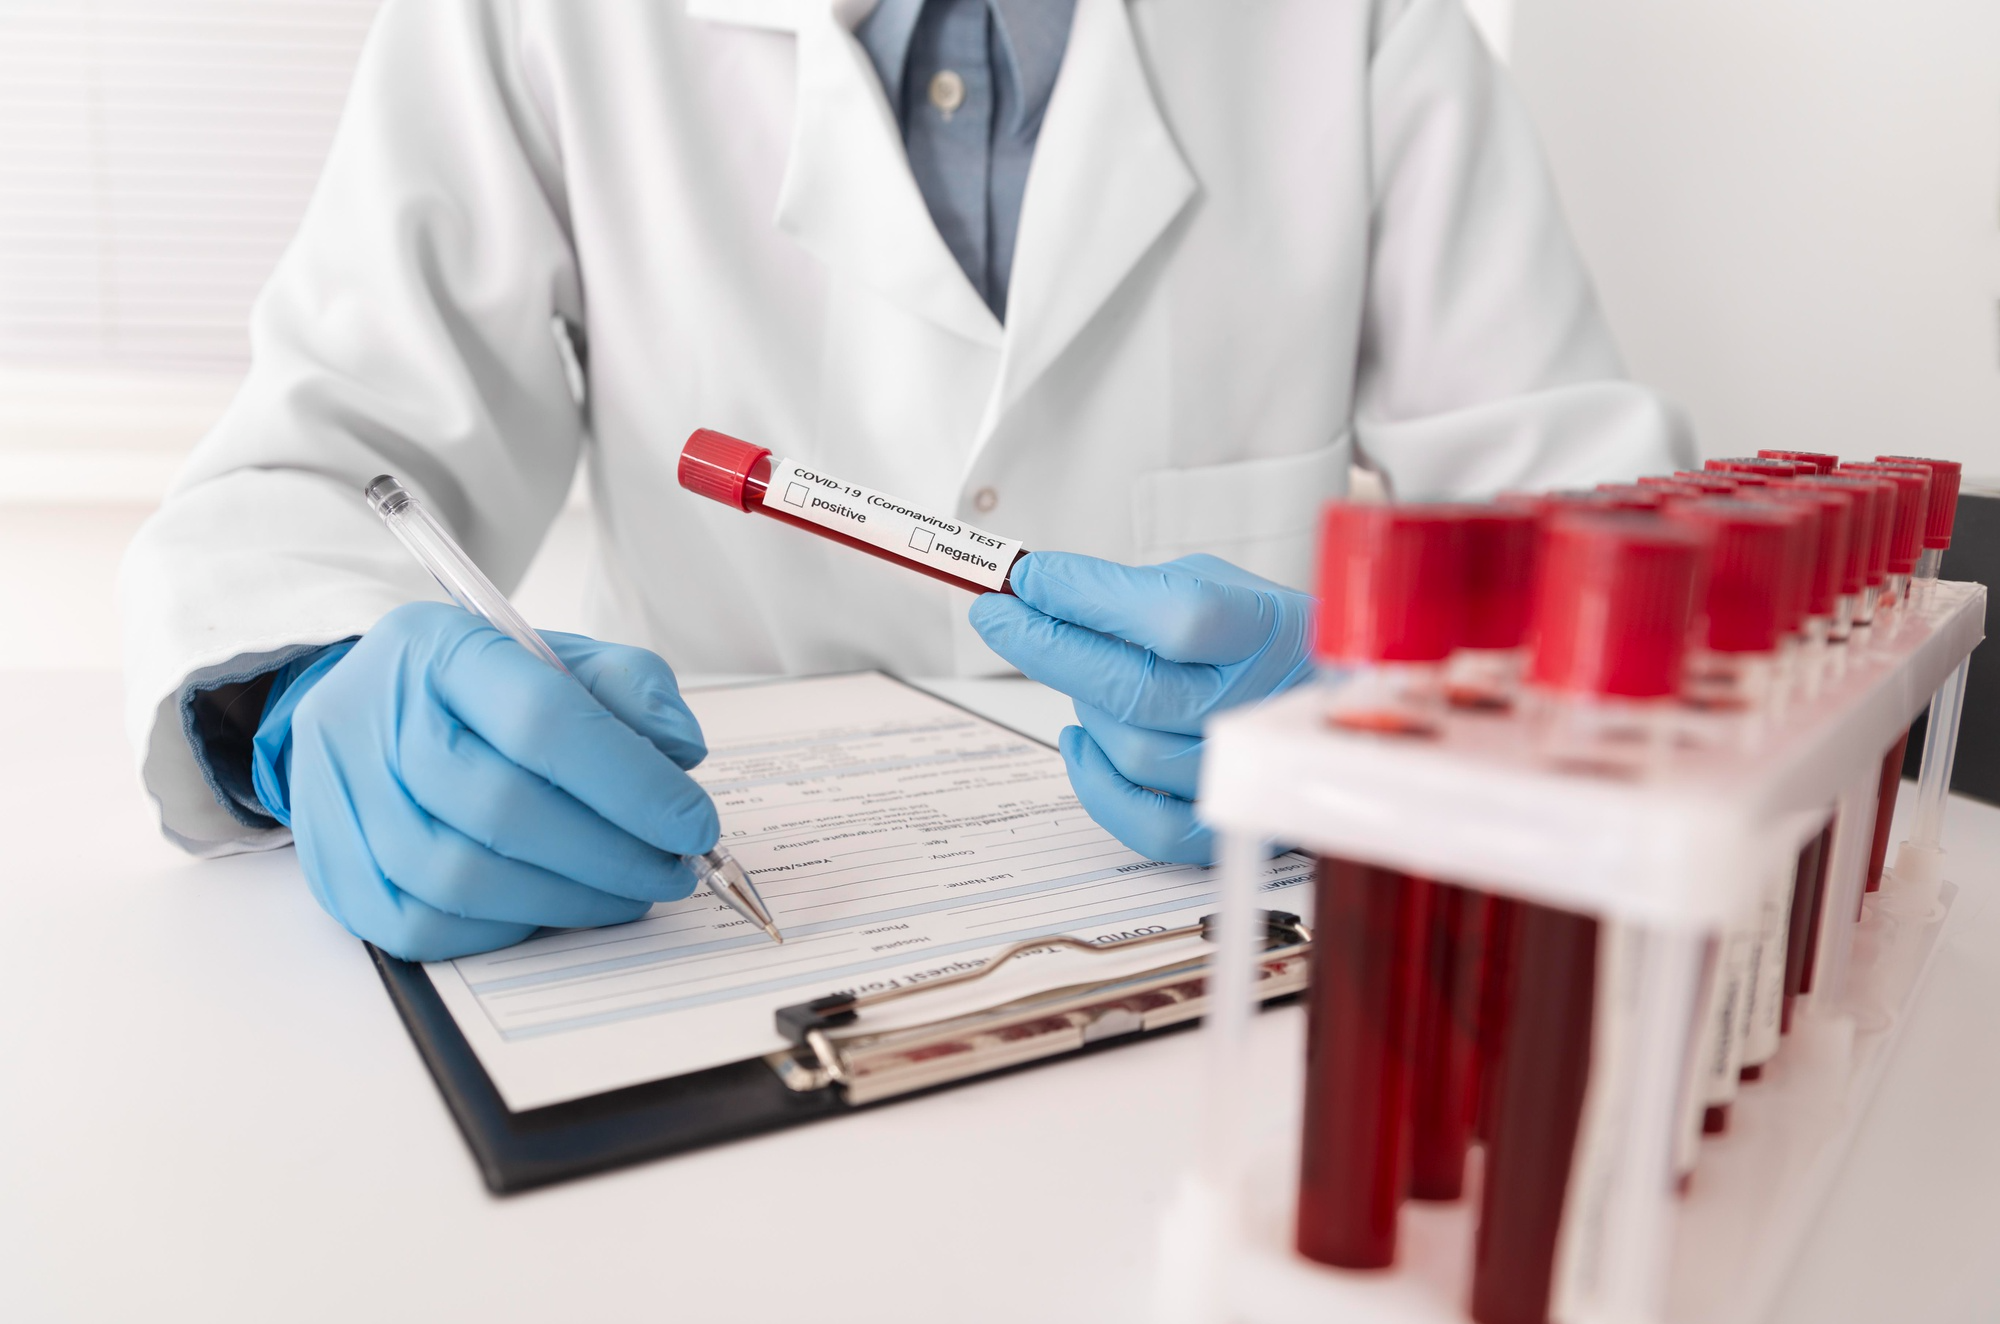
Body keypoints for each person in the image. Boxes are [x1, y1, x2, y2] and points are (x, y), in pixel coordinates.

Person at [120, 0, 1691, 960]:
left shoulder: (1355, 22)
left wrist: (1399, 711)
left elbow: (1596, 536)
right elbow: (321, 470)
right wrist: (310, 698)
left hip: (1217, 1003)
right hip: (685, 943)